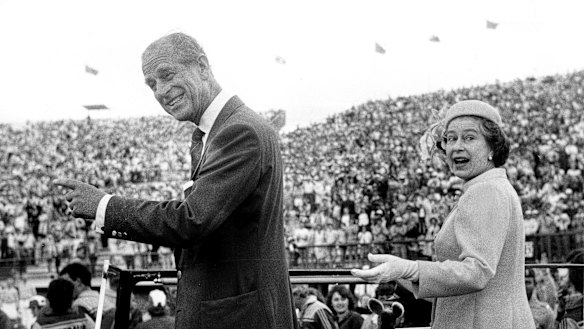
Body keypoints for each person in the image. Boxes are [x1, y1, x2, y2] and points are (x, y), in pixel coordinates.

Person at [54, 32, 297, 329]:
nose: (160, 91)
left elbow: (191, 220)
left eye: (167, 75)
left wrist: (104, 206)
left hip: (239, 317)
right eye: (152, 84)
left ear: (202, 67)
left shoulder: (239, 131)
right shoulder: (215, 132)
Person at [351, 100, 536, 328]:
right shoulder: (495, 186)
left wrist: (410, 268)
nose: (456, 146)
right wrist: (400, 271)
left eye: (469, 137)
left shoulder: (485, 190)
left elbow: (476, 273)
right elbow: (456, 287)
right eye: (450, 138)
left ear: (493, 147)